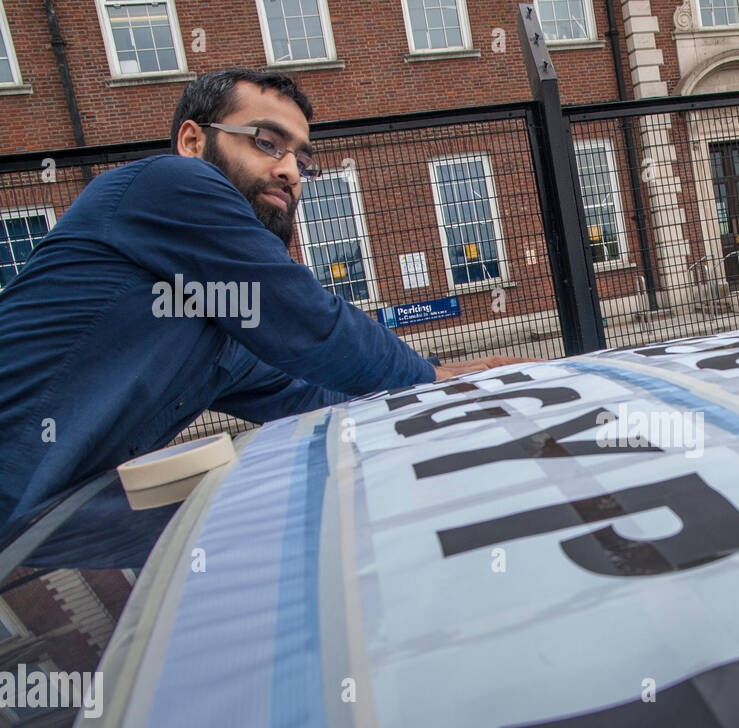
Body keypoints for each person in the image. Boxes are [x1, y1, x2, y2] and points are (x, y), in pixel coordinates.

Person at [0, 69, 522, 531]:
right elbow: (303, 320)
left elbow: (308, 390)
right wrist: (428, 379)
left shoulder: (218, 311)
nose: (291, 171)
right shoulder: (168, 182)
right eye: (267, 143)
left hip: (38, 526)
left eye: (302, 159)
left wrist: (448, 382)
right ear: (191, 140)